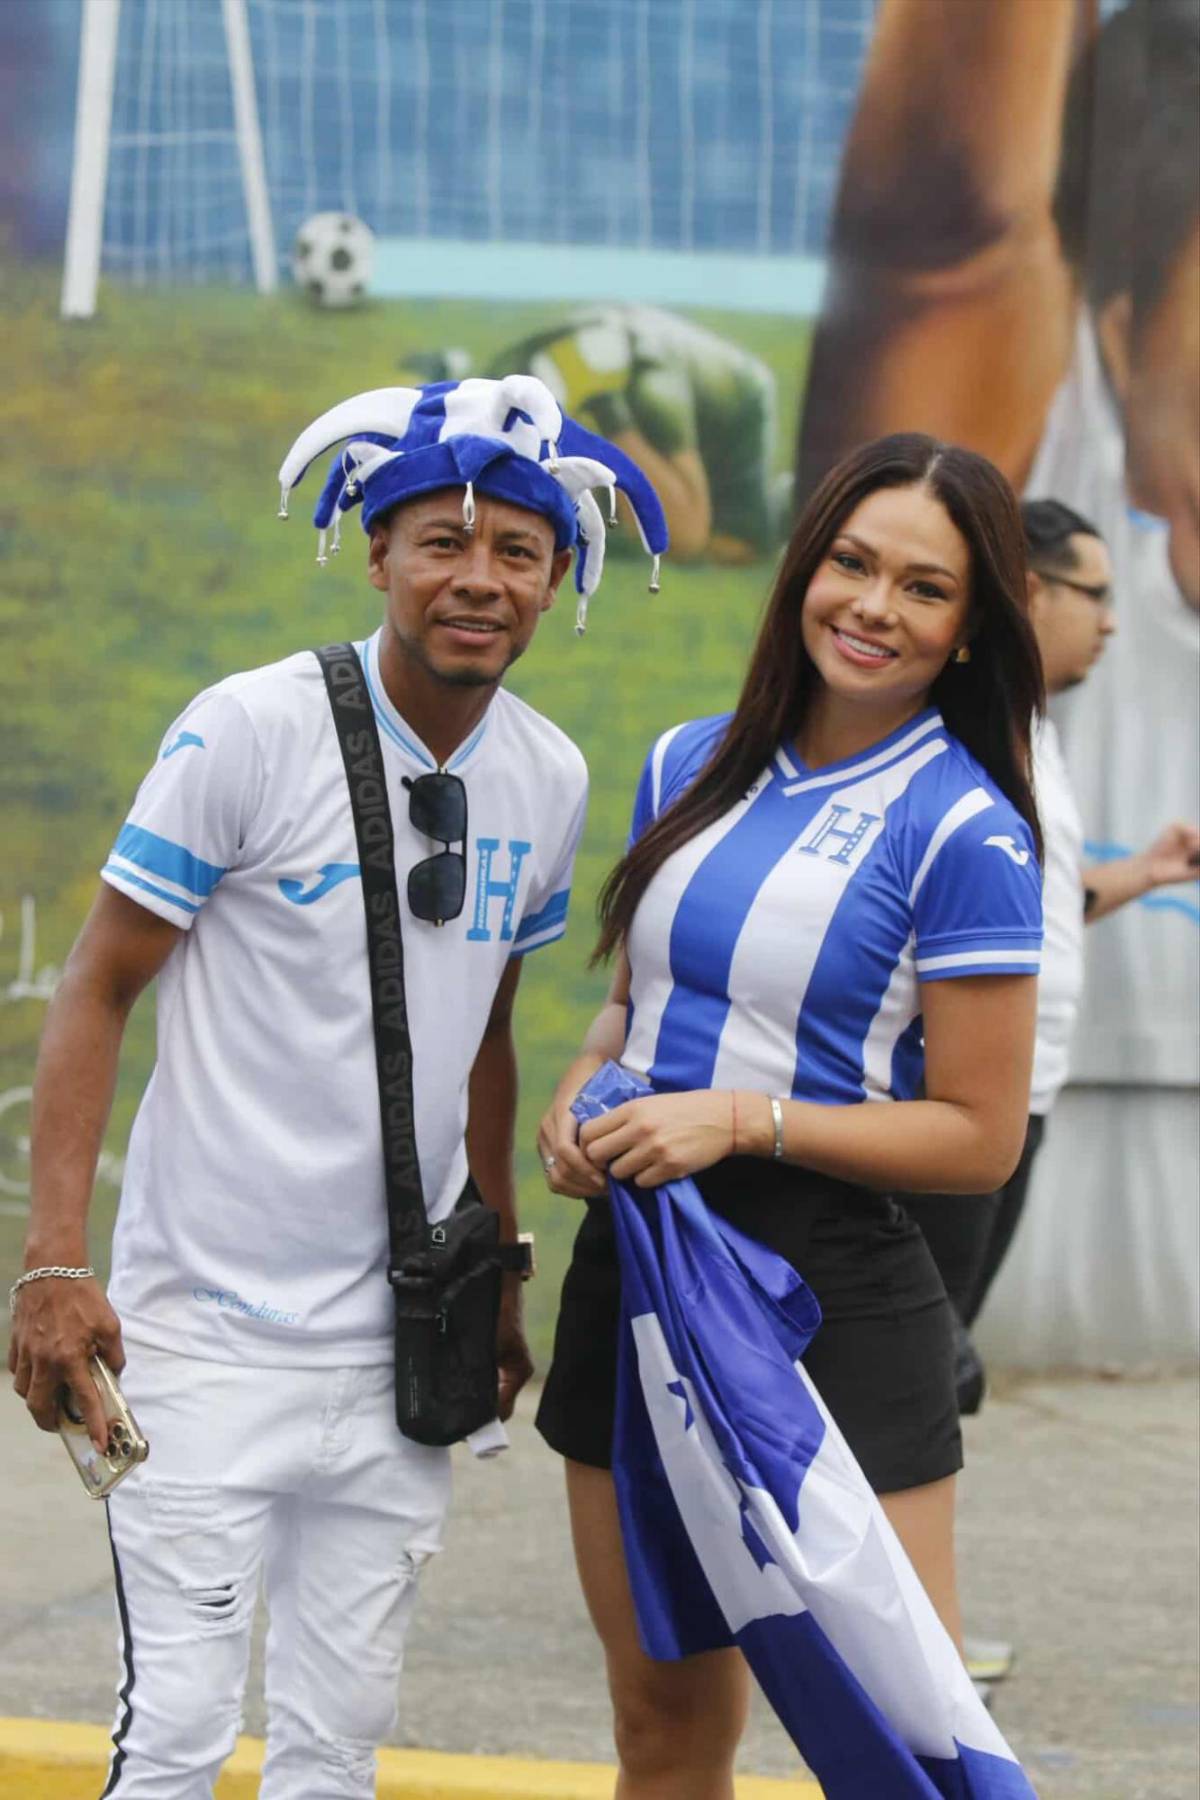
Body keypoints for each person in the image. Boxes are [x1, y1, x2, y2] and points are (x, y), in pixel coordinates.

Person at [6, 374, 664, 1798]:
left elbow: (485, 1035)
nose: (478, 579)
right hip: (200, 1339)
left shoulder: (549, 777)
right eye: (442, 542)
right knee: (175, 1741)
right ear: (377, 555)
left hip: (398, 1349)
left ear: (558, 581)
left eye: (518, 551)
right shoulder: (246, 728)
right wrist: (54, 1263)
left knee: (336, 1747)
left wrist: (496, 1268)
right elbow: (99, 985)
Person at [534, 432, 1045, 1798]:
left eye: (924, 588)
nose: (874, 607)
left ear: (968, 628)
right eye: (852, 563)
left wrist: (744, 1122)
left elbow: (980, 1136)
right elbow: (630, 1010)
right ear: (804, 568)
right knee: (661, 1727)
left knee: (900, 1750)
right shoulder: (684, 762)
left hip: (834, 1302)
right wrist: (579, 1094)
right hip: (641, 1273)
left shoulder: (968, 830)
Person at [795, 0, 1199, 1362]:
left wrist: (1140, 874)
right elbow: (950, 219)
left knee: (925, 1385)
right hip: (941, 1120)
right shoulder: (1024, 512)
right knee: (900, 1382)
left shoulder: (1035, 755)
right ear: (1121, 335)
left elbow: (1031, 906)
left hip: (1041, 1113)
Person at [905, 500, 1200, 1343]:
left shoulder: (1031, 728)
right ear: (1030, 592)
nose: (1111, 624)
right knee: (923, 1360)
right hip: (946, 1098)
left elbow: (1025, 909)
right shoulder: (958, 729)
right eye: (1096, 595)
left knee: (947, 1348)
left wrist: (1147, 872)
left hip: (1019, 1098)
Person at [407, 303, 784, 563]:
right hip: (600, 373)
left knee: (732, 546)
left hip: (723, 396)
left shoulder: (656, 392)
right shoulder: (517, 381)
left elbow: (685, 537)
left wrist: (612, 417)